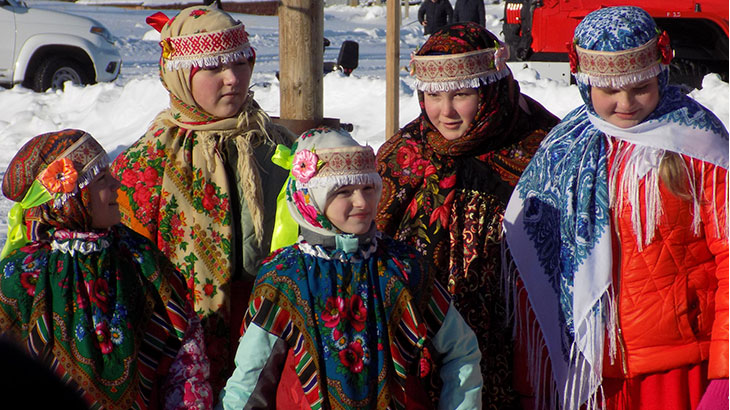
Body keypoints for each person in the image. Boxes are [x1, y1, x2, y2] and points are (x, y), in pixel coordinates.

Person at [503, 6, 728, 410]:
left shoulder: (700, 146)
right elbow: (536, 269)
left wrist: (725, 375)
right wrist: (530, 374)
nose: (625, 102)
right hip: (588, 373)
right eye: (609, 88)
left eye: (640, 86)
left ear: (661, 71)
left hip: (676, 367)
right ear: (585, 82)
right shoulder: (564, 149)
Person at [218, 127, 483, 409]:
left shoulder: (403, 268)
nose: (361, 202)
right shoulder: (285, 277)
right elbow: (251, 378)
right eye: (344, 191)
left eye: (368, 188)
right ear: (311, 199)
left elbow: (461, 351)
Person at [110, 5, 295, 395]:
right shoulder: (146, 164)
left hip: (273, 338)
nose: (233, 79)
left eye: (241, 63)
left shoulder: (280, 147)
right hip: (179, 353)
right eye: (213, 67)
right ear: (179, 76)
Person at [376, 22, 558, 408]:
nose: (445, 111)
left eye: (461, 94)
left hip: (516, 345)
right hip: (420, 342)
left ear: (491, 88)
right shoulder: (402, 155)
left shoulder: (541, 150)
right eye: (433, 95)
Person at [0, 129, 211, 409]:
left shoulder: (141, 259)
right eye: (101, 179)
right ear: (71, 197)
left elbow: (187, 353)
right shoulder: (20, 275)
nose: (117, 185)